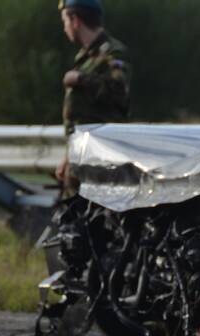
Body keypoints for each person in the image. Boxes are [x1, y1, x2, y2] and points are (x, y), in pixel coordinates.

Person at [55, 0, 131, 196]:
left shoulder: (113, 52)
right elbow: (81, 117)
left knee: (96, 222)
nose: (64, 28)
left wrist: (81, 79)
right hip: (79, 157)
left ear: (75, 20)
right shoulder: (84, 57)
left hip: (101, 162)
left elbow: (119, 91)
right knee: (73, 220)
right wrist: (67, 156)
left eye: (65, 21)